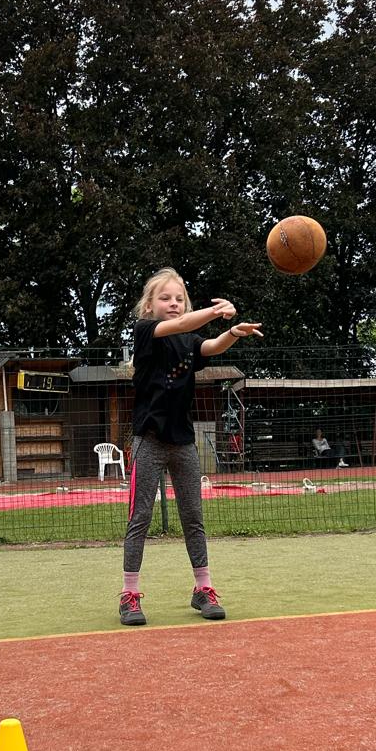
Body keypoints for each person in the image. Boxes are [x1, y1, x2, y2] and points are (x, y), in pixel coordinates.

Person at [120, 267, 262, 626]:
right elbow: (183, 324)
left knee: (193, 518)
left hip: (182, 442)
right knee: (140, 518)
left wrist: (233, 332)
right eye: (165, 298)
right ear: (149, 306)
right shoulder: (145, 330)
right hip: (149, 440)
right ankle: (129, 595)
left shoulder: (187, 339)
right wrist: (216, 311)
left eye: (179, 298)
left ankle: (203, 589)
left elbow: (210, 347)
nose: (173, 303)